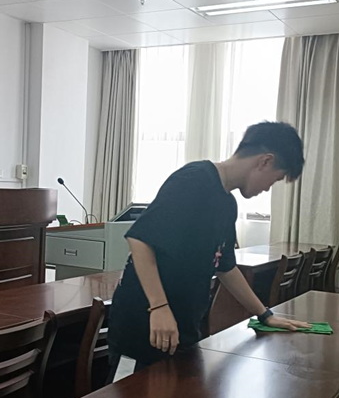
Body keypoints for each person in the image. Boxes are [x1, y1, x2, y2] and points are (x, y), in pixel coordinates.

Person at [107, 121, 311, 378]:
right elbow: (140, 240)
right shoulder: (194, 180)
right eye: (275, 179)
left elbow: (225, 267)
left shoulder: (227, 204)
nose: (268, 188)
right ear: (265, 161)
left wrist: (264, 315)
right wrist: (158, 308)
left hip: (182, 325)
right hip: (144, 323)